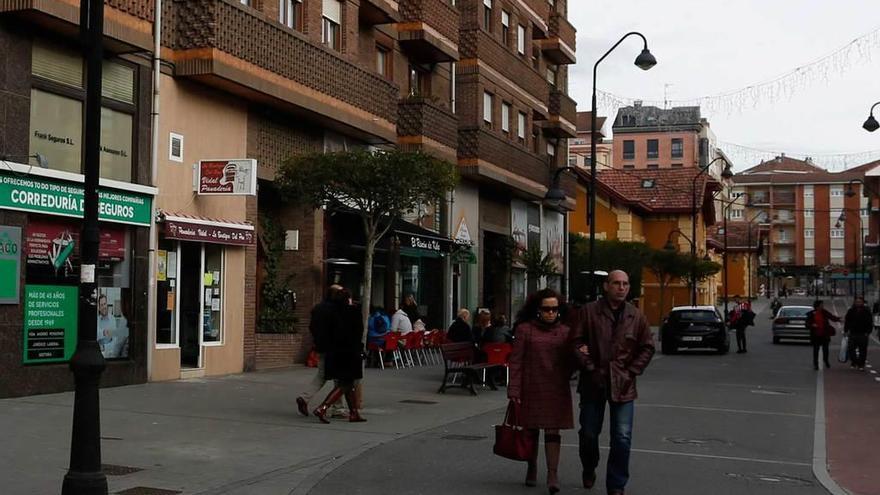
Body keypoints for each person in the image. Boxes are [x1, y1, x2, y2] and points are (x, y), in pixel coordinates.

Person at [573, 270, 655, 495]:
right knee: (589, 433)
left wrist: (632, 371)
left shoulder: (636, 316)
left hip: (623, 383)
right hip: (593, 381)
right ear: (606, 286)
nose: (621, 288)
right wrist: (589, 366)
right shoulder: (589, 312)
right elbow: (576, 342)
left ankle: (616, 485)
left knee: (622, 437)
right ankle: (589, 466)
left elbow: (647, 347)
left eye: (625, 284)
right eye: (617, 283)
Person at [507, 288, 575, 494]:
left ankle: (552, 474)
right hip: (532, 386)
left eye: (554, 309)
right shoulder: (525, 329)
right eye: (546, 309)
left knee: (553, 431)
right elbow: (516, 361)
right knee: (531, 430)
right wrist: (514, 389)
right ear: (537, 309)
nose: (551, 313)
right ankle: (532, 466)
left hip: (556, 387)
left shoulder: (565, 331)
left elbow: (572, 361)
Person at [313, 288, 367, 423]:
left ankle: (353, 412)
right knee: (346, 383)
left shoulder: (331, 312)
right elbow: (358, 332)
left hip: (334, 352)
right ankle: (323, 407)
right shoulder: (354, 312)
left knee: (347, 382)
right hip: (350, 352)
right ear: (348, 299)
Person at [296, 285, 346, 418]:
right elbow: (340, 329)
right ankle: (338, 408)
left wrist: (318, 340)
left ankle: (305, 397)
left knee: (322, 375)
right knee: (340, 378)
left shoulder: (318, 308)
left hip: (321, 346)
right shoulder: (338, 309)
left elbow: (312, 327)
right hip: (335, 348)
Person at [806, 300, 841, 370]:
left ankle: (826, 360)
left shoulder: (825, 312)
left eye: (822, 305)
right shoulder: (811, 314)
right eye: (821, 305)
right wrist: (812, 325)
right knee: (816, 350)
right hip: (816, 335)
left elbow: (832, 317)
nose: (822, 306)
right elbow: (807, 324)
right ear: (817, 306)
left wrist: (839, 319)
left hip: (825, 334)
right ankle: (816, 364)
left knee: (826, 349)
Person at [844, 296, 872, 371]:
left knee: (863, 350)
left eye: (860, 302)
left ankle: (861, 364)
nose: (858, 303)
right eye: (857, 302)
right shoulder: (851, 310)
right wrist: (846, 330)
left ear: (863, 302)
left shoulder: (866, 311)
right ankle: (854, 361)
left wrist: (868, 332)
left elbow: (870, 322)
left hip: (863, 333)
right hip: (853, 333)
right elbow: (847, 321)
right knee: (851, 349)